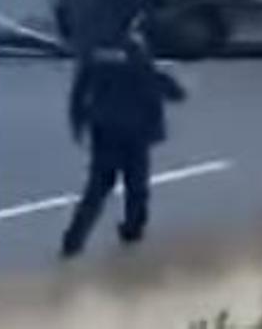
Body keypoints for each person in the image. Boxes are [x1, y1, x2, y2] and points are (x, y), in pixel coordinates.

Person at [60, 26, 187, 258]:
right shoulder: (136, 51)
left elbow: (80, 89)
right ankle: (132, 231)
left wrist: (77, 123)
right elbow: (153, 83)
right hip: (135, 131)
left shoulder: (96, 49)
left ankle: (73, 240)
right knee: (136, 184)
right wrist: (177, 91)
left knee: (97, 188)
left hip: (104, 129)